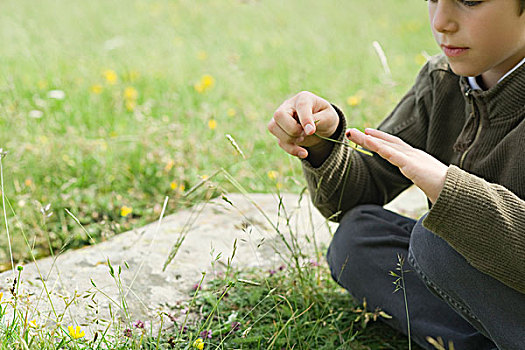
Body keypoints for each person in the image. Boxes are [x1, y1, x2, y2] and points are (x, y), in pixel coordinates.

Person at [268, 0, 525, 349]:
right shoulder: (442, 80)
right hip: (481, 290)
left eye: (469, 1)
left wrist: (452, 193)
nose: (442, 21)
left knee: (432, 242)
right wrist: (322, 141)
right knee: (358, 237)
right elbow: (355, 197)